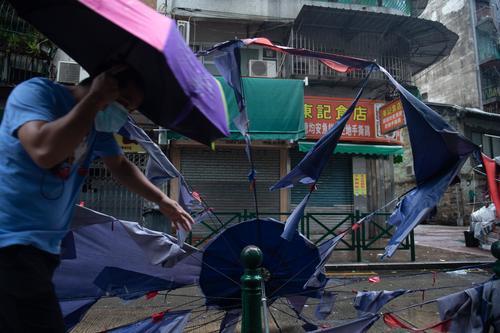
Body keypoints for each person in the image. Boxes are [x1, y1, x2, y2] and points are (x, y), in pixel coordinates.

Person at [0, 65, 194, 332]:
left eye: (130, 110)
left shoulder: (96, 129)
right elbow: (43, 150)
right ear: (101, 85)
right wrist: (94, 99)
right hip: (11, 242)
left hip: (43, 249)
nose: (124, 114)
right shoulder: (38, 93)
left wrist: (162, 200)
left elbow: (120, 166)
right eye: (124, 103)